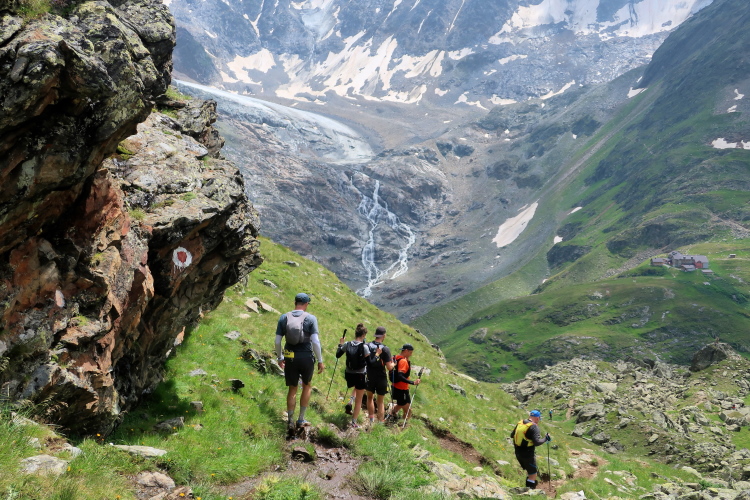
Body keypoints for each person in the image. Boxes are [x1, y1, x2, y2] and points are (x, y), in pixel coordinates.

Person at [275, 293, 324, 432]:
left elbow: (277, 341)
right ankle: (301, 419)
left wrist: (280, 358)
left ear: (295, 302)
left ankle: (290, 420)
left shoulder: (284, 317)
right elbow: (315, 342)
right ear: (306, 304)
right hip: (306, 357)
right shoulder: (311, 318)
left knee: (292, 388)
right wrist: (320, 360)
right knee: (307, 386)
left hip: (289, 356)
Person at [336, 323, 370, 428]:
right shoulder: (364, 347)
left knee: (355, 387)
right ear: (363, 335)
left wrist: (340, 344)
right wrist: (377, 354)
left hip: (349, 374)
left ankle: (350, 402)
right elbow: (370, 362)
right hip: (360, 375)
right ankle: (354, 422)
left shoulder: (347, 344)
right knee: (359, 399)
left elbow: (338, 355)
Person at [510, 410, 551, 490]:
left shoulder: (520, 423)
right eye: (539, 418)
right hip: (528, 454)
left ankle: (528, 487)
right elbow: (537, 442)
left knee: (529, 470)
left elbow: (512, 435)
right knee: (533, 473)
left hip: (517, 452)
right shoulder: (534, 427)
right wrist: (546, 438)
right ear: (537, 418)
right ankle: (530, 491)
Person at [365, 326, 394, 425]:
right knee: (380, 401)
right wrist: (394, 364)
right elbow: (389, 367)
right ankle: (380, 422)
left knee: (370, 398)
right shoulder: (385, 349)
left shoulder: (368, 346)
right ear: (384, 335)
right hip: (381, 377)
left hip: (369, 375)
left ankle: (371, 420)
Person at [387, 344, 420, 423]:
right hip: (401, 388)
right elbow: (400, 376)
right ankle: (403, 424)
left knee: (401, 404)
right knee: (408, 410)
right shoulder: (403, 361)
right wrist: (412, 382)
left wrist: (407, 360)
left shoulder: (395, 357)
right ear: (406, 351)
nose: (411, 354)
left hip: (395, 386)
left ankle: (390, 415)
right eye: (410, 352)